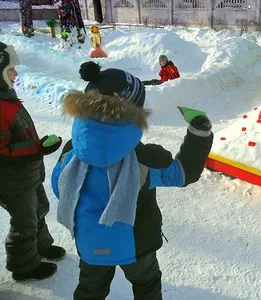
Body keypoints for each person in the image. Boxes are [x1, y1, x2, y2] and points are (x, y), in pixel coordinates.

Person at [51, 61, 213, 300]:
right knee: (147, 286)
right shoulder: (144, 160)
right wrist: (199, 135)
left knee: (90, 289)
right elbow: (183, 172)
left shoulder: (71, 153)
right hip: (137, 247)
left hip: (90, 244)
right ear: (133, 115)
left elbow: (59, 188)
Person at [0, 42, 65, 281]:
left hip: (27, 175)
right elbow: (3, 151)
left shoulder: (6, 98)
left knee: (38, 210)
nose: (15, 74)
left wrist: (39, 147)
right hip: (12, 181)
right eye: (10, 70)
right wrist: (37, 148)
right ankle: (24, 266)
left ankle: (41, 246)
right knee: (24, 222)